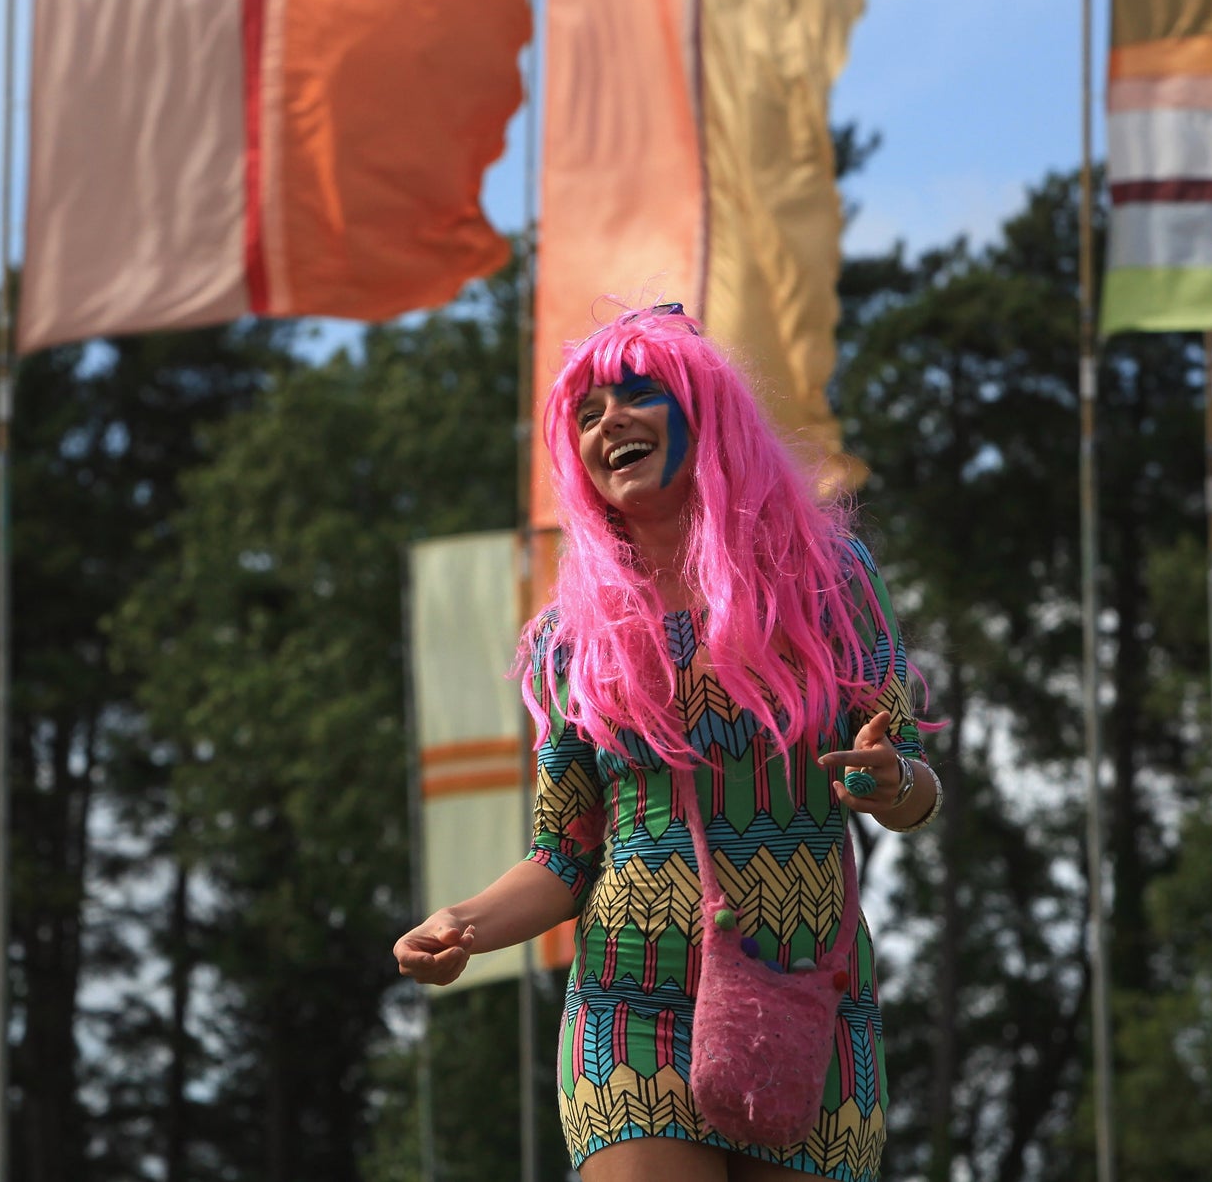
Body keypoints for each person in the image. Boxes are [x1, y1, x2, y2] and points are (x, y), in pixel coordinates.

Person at [392, 305, 943, 1182]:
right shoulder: (568, 637)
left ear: (707, 415)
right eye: (587, 412)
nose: (609, 420)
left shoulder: (828, 580)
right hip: (628, 1001)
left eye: (640, 393)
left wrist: (889, 778)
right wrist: (464, 921)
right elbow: (561, 857)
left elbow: (911, 787)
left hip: (807, 985)